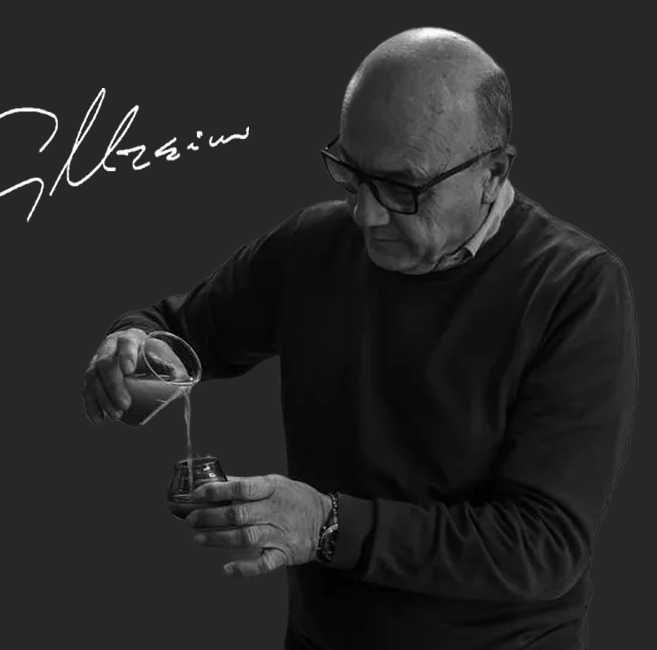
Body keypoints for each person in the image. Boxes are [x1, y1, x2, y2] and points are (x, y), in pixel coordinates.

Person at [82, 27, 638, 650]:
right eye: (351, 173)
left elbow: (542, 547)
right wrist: (132, 345)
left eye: (403, 188)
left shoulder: (576, 288)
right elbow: (178, 332)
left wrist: (327, 525)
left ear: (493, 172)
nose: (366, 216)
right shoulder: (312, 246)